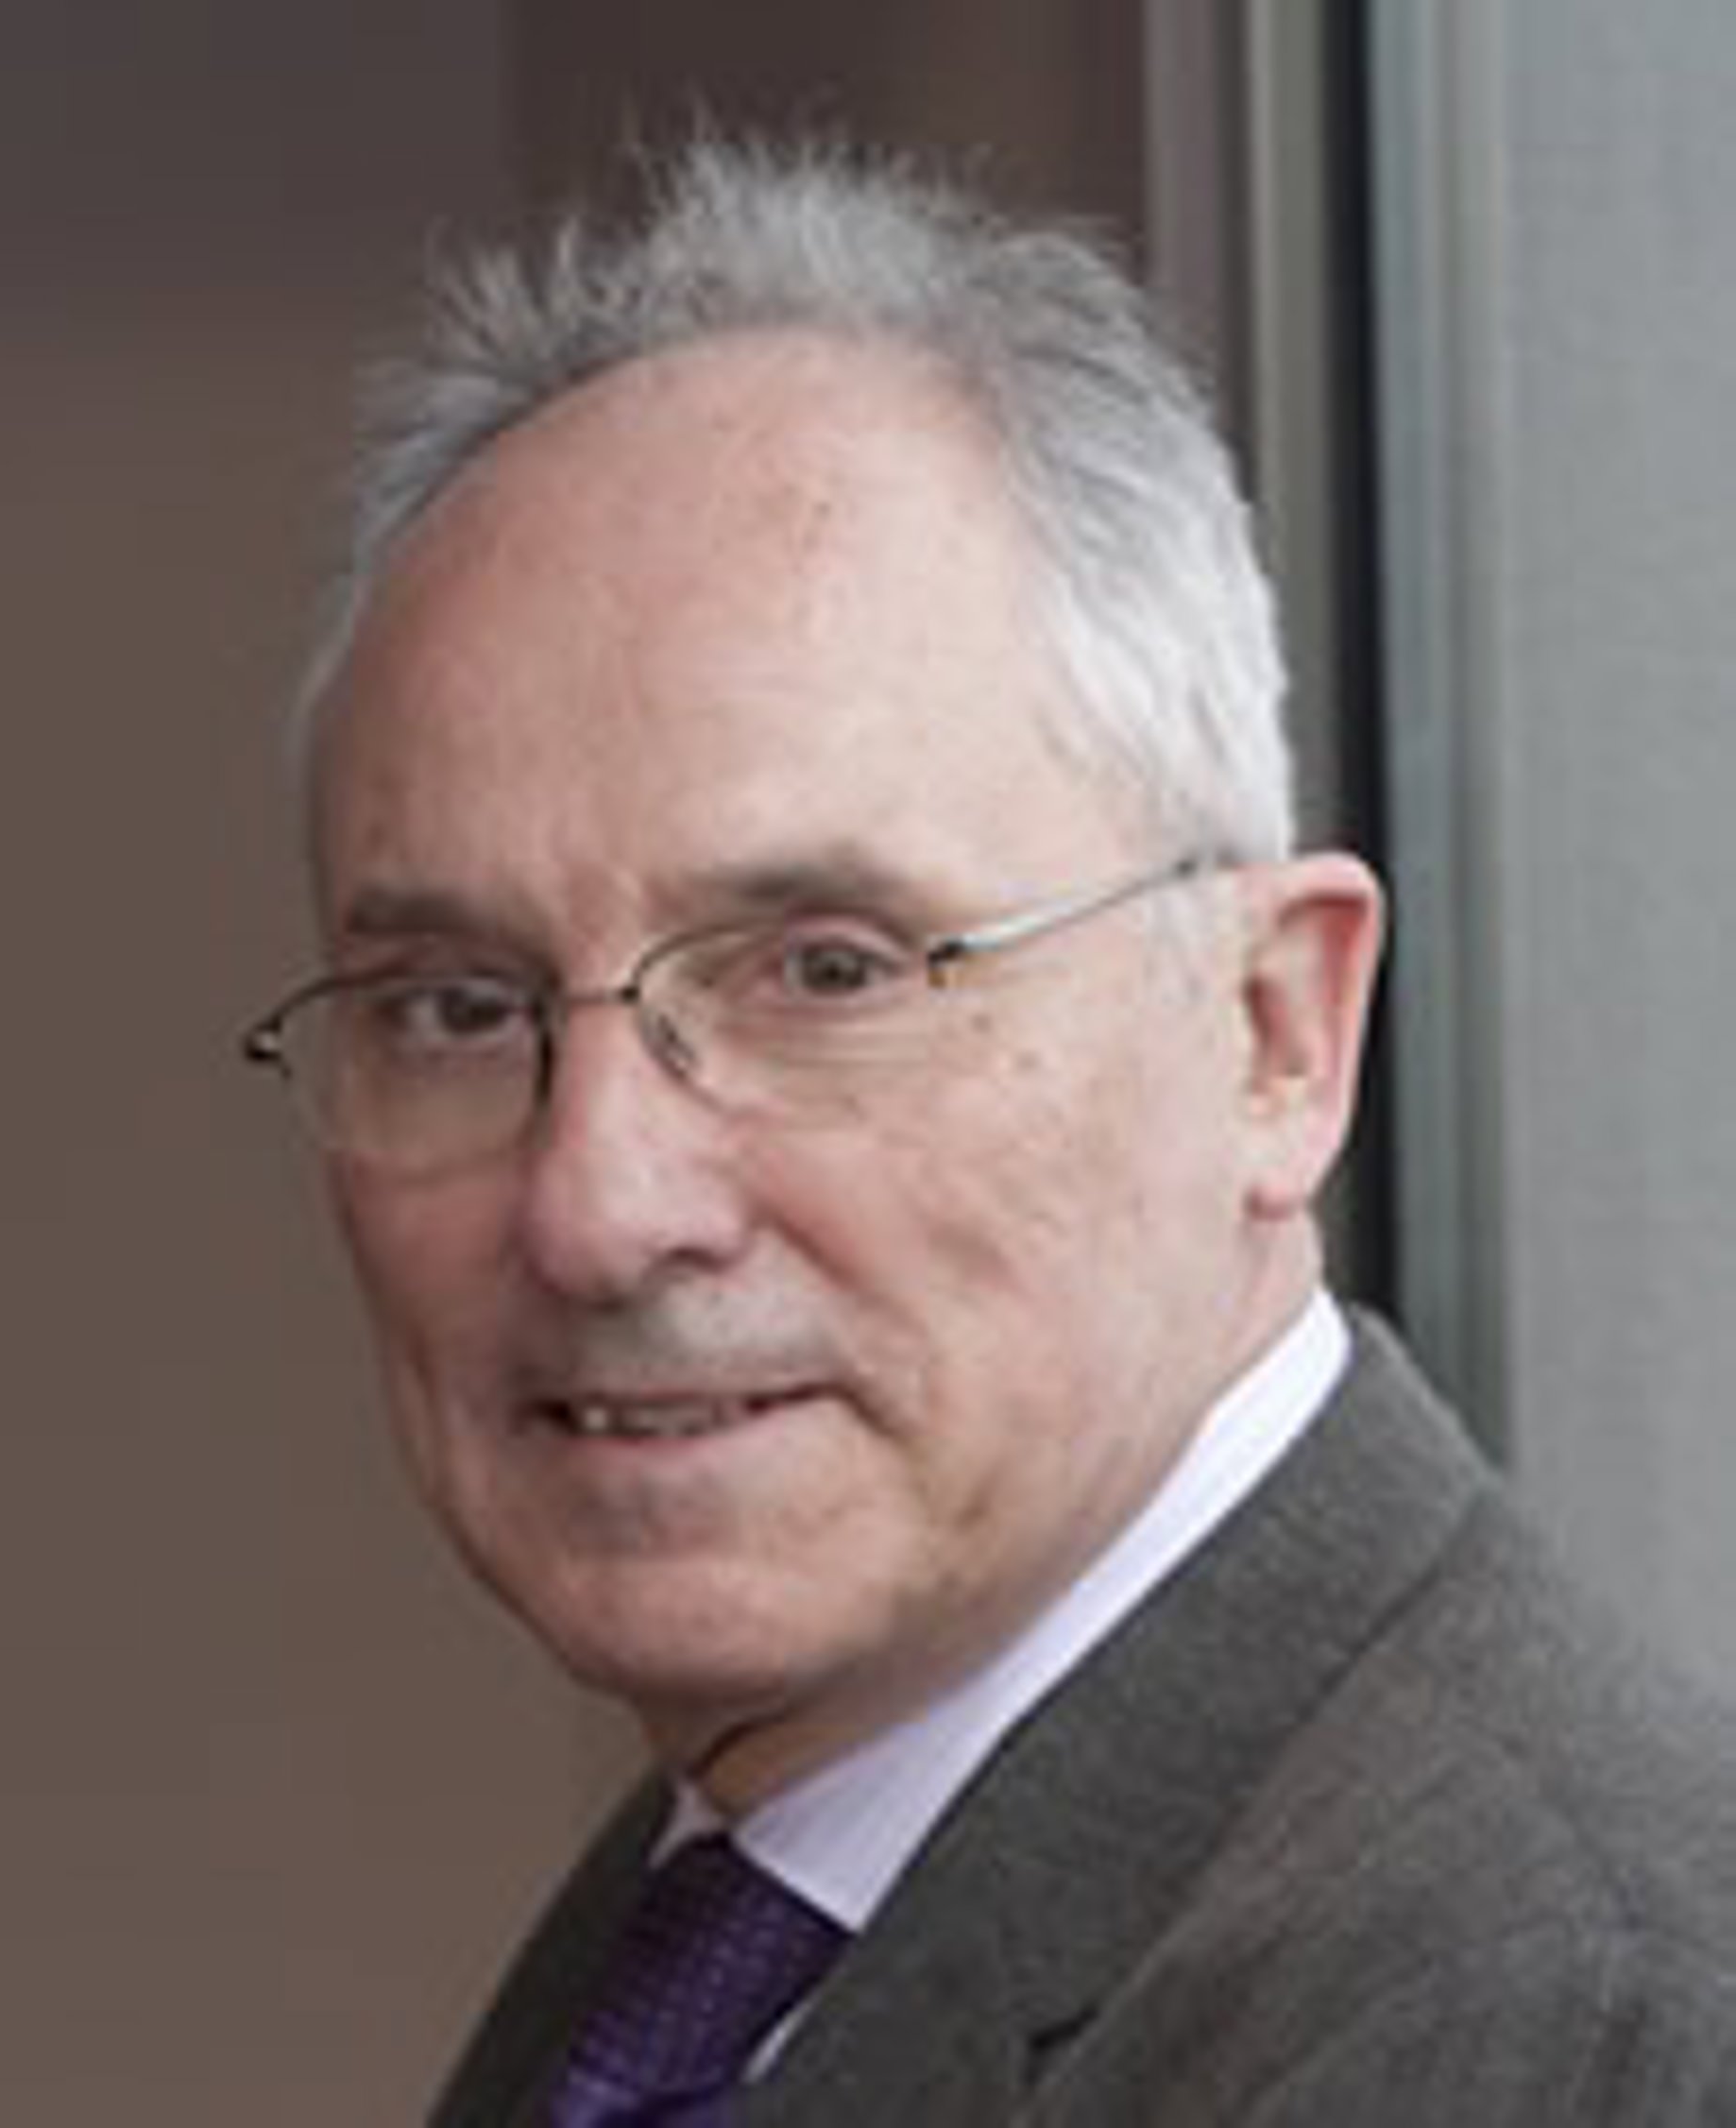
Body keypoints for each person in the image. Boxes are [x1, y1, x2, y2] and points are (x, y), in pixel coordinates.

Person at [243, 138, 1736, 2123]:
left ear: (1274, 1033)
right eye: (455, 1003)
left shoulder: (1552, 2017)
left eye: (826, 970)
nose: (598, 1200)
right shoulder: (736, 1909)